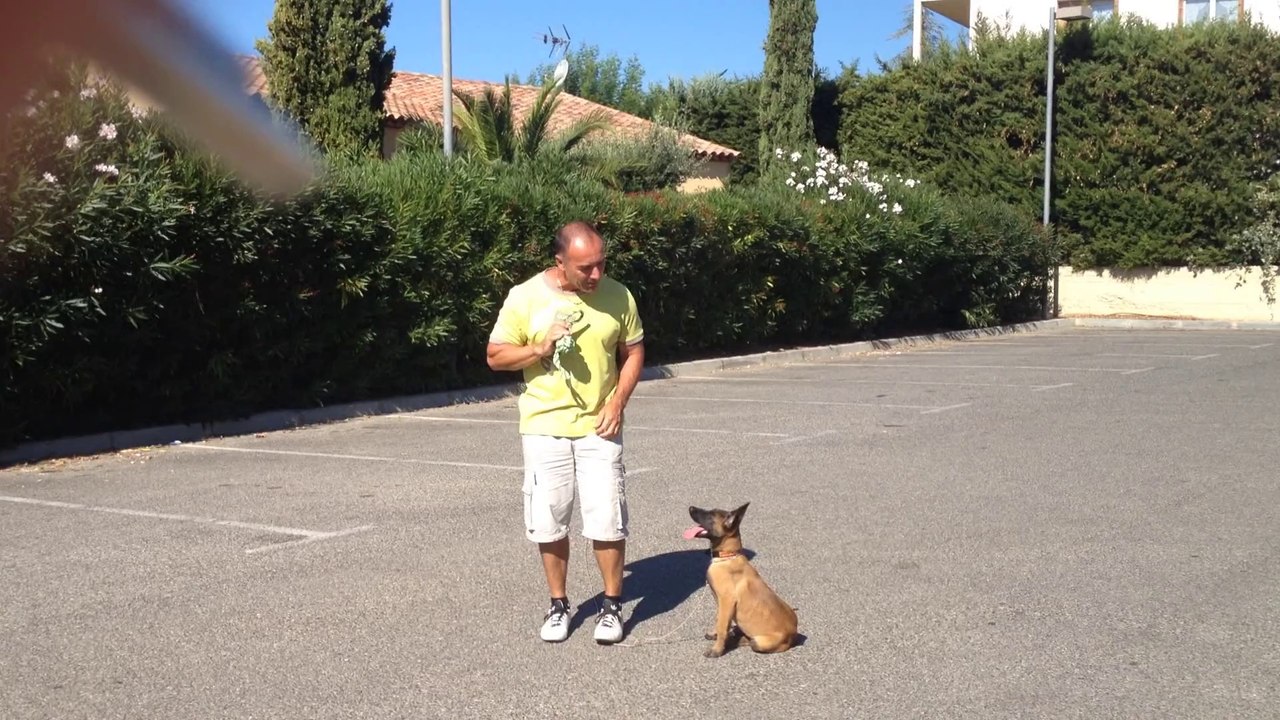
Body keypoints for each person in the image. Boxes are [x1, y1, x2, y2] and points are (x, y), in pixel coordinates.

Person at [486, 220, 645, 645]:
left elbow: (633, 351)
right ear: (560, 262)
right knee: (549, 520)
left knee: (607, 519)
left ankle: (612, 605)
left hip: (600, 423)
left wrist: (617, 401)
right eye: (585, 268)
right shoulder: (525, 297)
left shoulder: (619, 295)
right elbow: (496, 356)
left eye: (601, 264)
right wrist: (538, 348)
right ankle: (559, 604)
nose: (596, 275)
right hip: (544, 426)